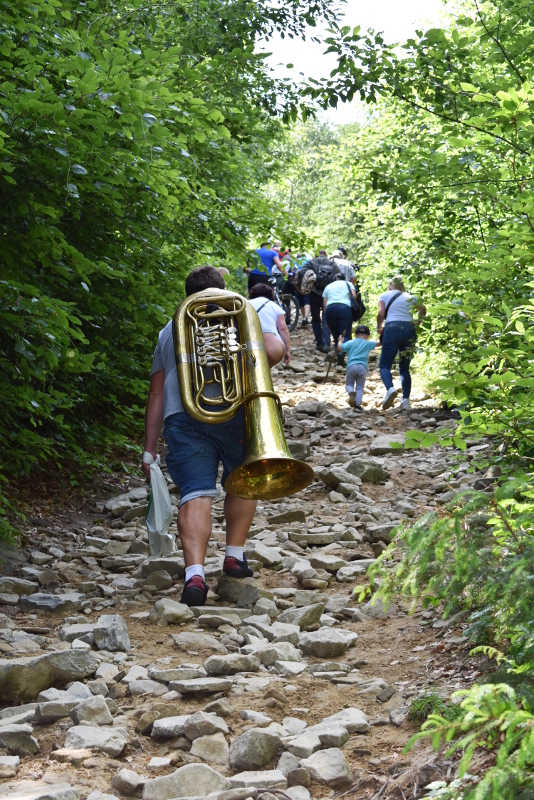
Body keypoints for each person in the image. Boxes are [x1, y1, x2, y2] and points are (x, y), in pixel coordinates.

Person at [142, 266, 257, 607]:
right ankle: (234, 554)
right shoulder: (238, 316)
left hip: (185, 418)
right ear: (222, 290)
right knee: (243, 481)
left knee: (195, 492)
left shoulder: (170, 329)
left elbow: (156, 393)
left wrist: (149, 449)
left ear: (188, 294)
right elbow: (274, 351)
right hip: (236, 413)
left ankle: (195, 574)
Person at [377, 275, 426, 411]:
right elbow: (422, 309)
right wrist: (418, 322)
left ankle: (390, 389)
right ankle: (405, 400)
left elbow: (381, 313)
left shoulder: (385, 295)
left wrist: (379, 327)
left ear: (390, 285)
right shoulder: (410, 296)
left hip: (392, 328)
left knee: (385, 365)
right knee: (404, 368)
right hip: (409, 329)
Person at [337, 325, 380, 412]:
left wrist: (340, 341)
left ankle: (351, 393)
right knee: (360, 387)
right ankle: (357, 406)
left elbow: (340, 348)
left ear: (355, 335)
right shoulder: (368, 343)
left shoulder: (351, 342)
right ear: (368, 336)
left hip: (351, 366)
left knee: (349, 385)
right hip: (363, 367)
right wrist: (383, 334)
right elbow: (379, 344)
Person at [248, 283, 291, 368]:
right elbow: (283, 328)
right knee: (264, 370)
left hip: (249, 344)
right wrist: (288, 350)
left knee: (252, 371)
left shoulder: (246, 304)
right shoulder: (274, 306)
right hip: (273, 346)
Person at [323, 274, 357, 364]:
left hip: (330, 310)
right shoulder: (348, 284)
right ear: (343, 278)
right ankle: (341, 352)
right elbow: (354, 296)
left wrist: (326, 319)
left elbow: (325, 305)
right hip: (344, 309)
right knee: (344, 334)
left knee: (335, 336)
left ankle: (339, 356)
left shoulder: (328, 287)